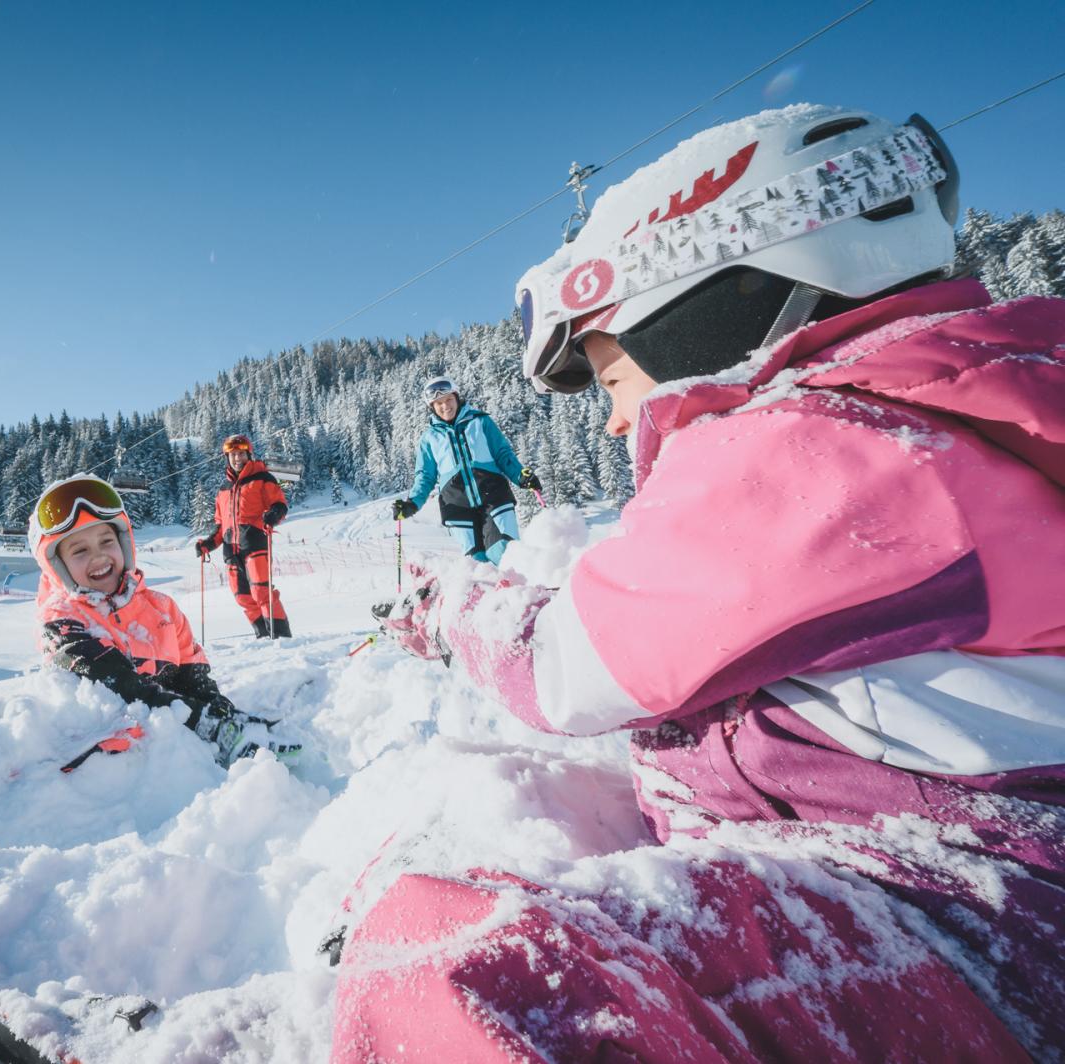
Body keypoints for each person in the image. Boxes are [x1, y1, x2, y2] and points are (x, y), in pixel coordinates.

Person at [337, 104, 1065, 1061]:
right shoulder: (943, 413)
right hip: (998, 880)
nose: (607, 425)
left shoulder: (821, 453)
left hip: (966, 914)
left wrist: (452, 609)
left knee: (490, 977)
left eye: (609, 383)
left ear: (700, 317)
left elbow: (565, 668)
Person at [32, 474, 296, 766]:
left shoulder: (161, 608)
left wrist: (220, 712)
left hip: (176, 736)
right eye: (79, 550)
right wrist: (204, 723)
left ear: (124, 543)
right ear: (57, 566)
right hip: (121, 763)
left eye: (106, 541)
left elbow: (194, 676)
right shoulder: (62, 620)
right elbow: (118, 686)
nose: (98, 556)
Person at [391, 376, 539, 565]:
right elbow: (425, 476)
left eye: (449, 400)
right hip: (456, 505)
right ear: (432, 407)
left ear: (457, 398)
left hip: (493, 496)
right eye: (439, 403)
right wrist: (412, 503)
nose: (445, 406)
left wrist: (520, 476)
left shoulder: (480, 422)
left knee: (503, 552)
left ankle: (519, 591)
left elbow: (502, 454)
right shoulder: (429, 439)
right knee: (476, 564)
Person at [194, 434, 292, 638]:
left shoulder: (262, 478)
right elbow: (221, 525)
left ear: (249, 454)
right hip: (231, 550)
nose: (237, 458)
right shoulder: (224, 489)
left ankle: (281, 637)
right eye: (232, 455)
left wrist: (274, 514)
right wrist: (208, 544)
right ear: (227, 458)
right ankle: (263, 636)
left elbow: (280, 504)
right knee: (243, 597)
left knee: (262, 593)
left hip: (255, 544)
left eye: (241, 454)